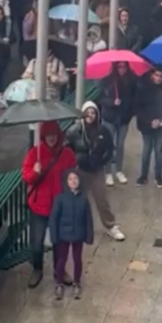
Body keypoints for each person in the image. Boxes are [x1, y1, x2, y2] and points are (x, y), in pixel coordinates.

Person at [20, 121, 76, 289]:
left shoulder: (67, 154)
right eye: (48, 135)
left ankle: (60, 271)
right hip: (39, 206)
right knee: (37, 243)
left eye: (54, 134)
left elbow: (73, 177)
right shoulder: (34, 154)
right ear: (44, 136)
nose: (51, 138)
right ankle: (37, 269)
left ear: (58, 135)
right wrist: (35, 171)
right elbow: (26, 177)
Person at [65, 102, 124, 241]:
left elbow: (110, 149)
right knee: (78, 199)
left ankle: (110, 225)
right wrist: (75, 162)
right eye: (88, 112)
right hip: (81, 169)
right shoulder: (74, 131)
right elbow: (67, 148)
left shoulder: (103, 130)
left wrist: (102, 161)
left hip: (97, 169)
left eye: (93, 113)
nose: (90, 115)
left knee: (101, 199)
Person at [48, 169, 92, 300]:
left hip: (78, 234)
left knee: (77, 259)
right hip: (63, 235)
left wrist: (89, 235)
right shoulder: (60, 198)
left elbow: (88, 219)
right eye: (70, 179)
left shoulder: (84, 199)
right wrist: (54, 236)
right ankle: (59, 284)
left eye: (76, 179)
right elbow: (54, 219)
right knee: (61, 260)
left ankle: (77, 283)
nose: (73, 182)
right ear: (66, 182)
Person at [99, 62, 136, 185]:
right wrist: (111, 102)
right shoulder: (107, 81)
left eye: (124, 67)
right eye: (119, 67)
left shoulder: (131, 81)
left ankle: (118, 170)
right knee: (109, 145)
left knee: (120, 145)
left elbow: (133, 99)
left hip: (123, 118)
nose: (122, 69)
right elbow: (100, 98)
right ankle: (108, 172)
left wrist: (129, 113)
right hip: (109, 118)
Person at [135, 67, 162, 187]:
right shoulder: (143, 88)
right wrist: (150, 121)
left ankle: (158, 176)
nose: (159, 78)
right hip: (146, 125)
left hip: (161, 125)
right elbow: (139, 108)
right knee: (147, 150)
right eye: (157, 75)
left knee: (159, 151)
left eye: (161, 76)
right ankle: (143, 176)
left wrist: (161, 120)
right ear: (152, 75)